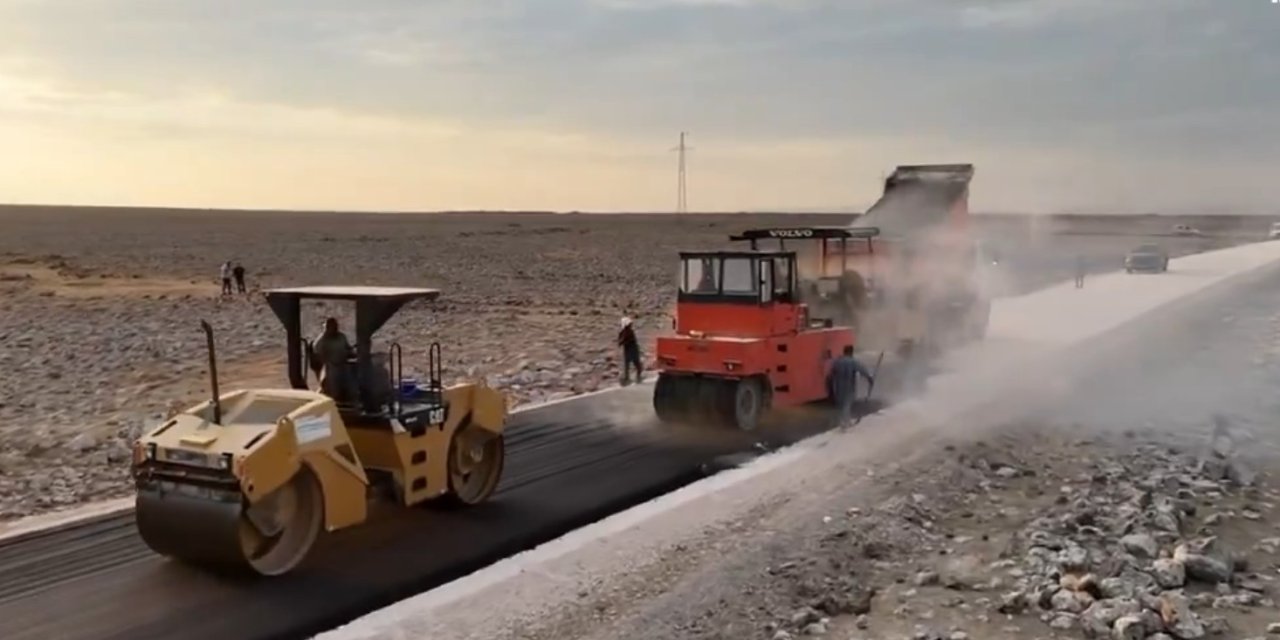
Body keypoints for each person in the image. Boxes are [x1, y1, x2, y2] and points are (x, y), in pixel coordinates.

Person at [826, 345, 875, 426]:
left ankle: (843, 420)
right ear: (851, 352)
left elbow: (831, 374)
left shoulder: (838, 361)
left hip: (838, 386)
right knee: (847, 403)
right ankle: (845, 422)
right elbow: (862, 370)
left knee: (841, 404)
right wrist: (869, 378)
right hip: (849, 385)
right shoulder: (853, 362)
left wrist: (830, 387)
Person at [312, 317, 357, 403]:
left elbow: (348, 348)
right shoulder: (321, 341)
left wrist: (352, 352)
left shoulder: (341, 337)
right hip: (331, 366)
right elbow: (317, 355)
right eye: (331, 327)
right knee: (333, 385)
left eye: (335, 326)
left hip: (344, 364)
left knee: (352, 383)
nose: (334, 328)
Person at [617, 316, 643, 385]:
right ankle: (629, 378)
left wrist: (622, 341)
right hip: (630, 349)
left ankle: (632, 377)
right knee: (632, 364)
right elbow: (621, 342)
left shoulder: (628, 332)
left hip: (631, 349)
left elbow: (622, 342)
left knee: (633, 363)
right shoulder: (625, 332)